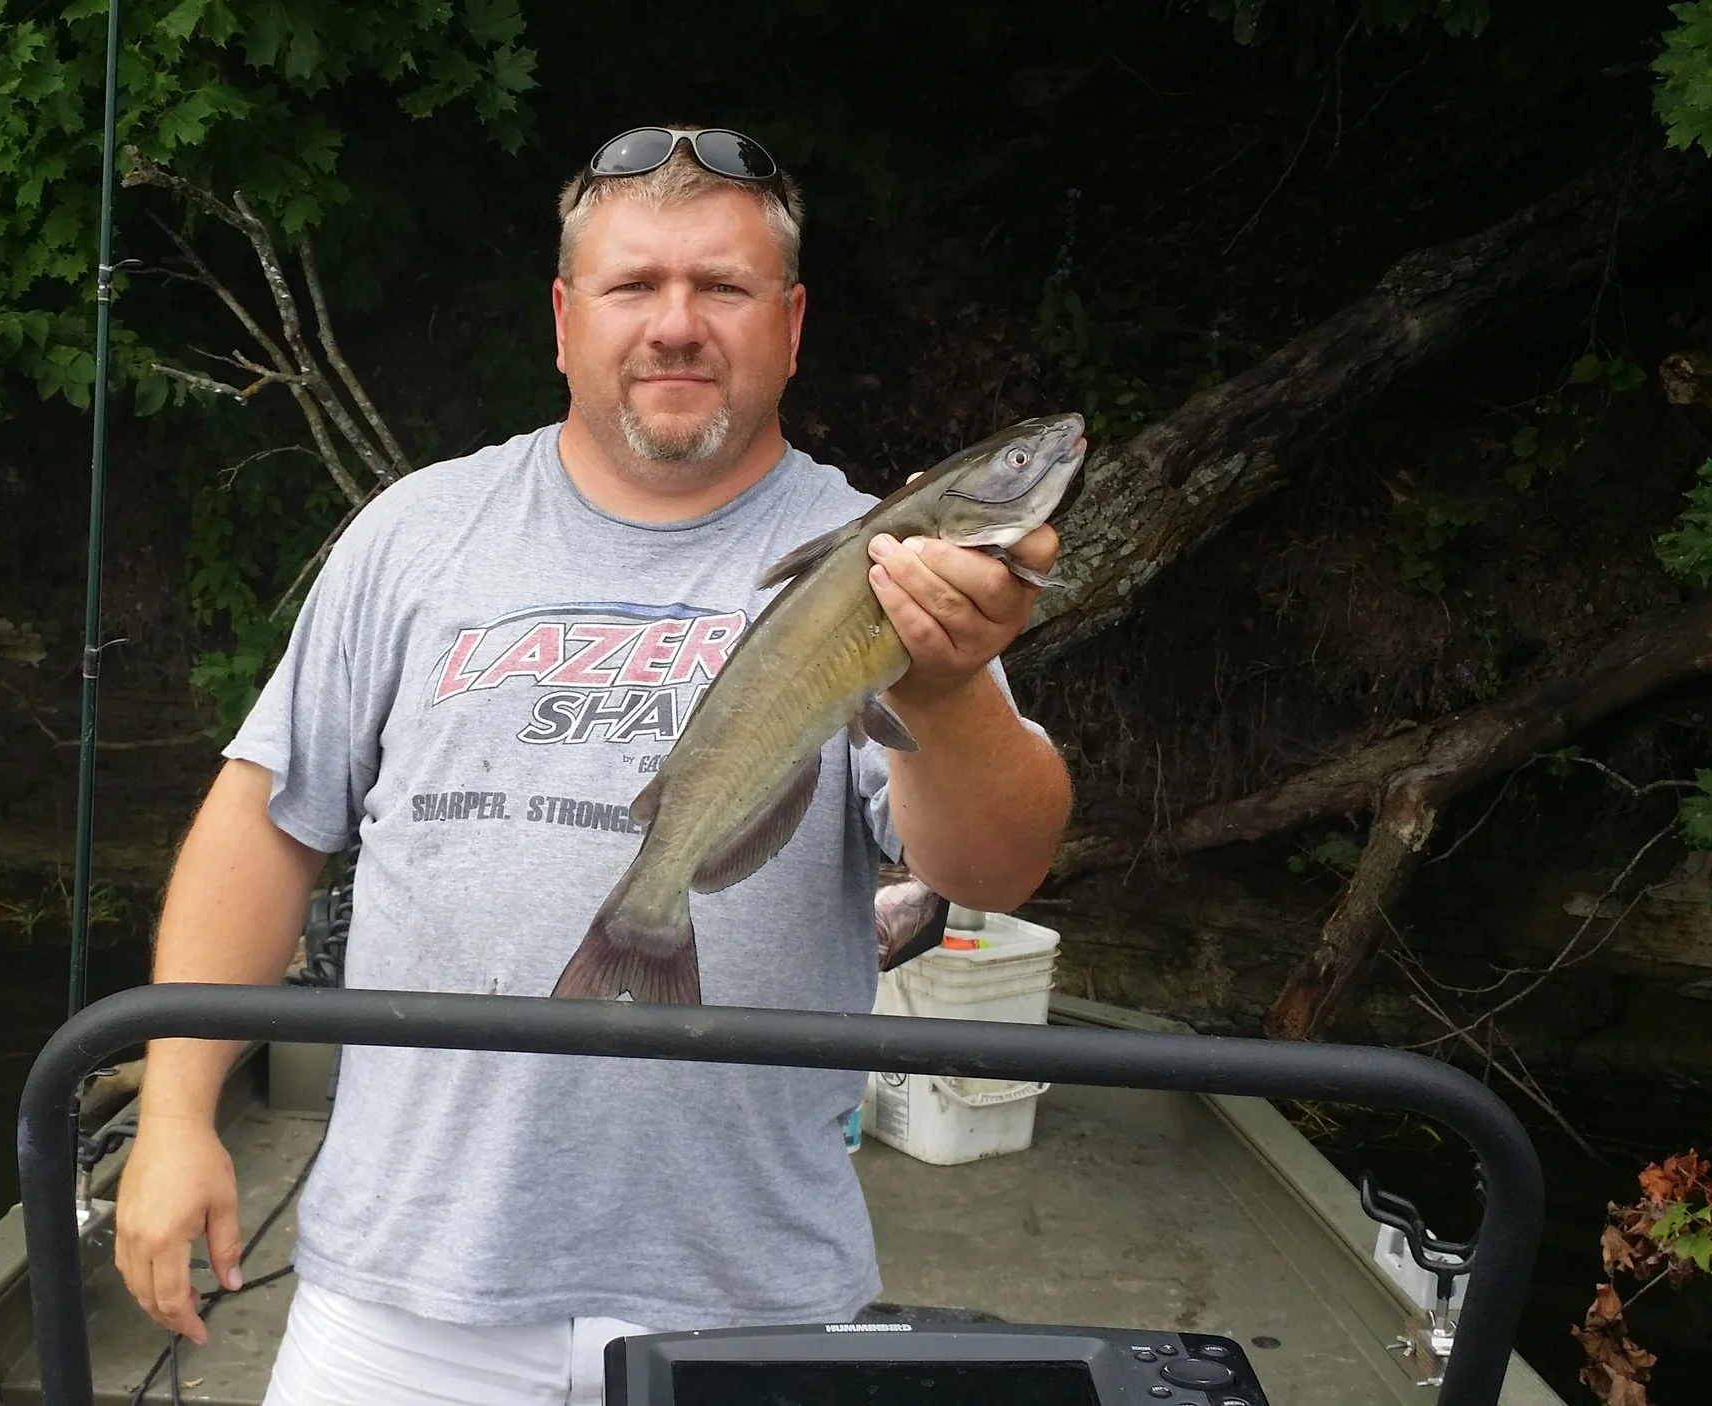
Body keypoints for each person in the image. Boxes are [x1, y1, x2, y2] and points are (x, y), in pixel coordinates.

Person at [112, 124, 1073, 1406]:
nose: (676, 324)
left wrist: (947, 695)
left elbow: (995, 867)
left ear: (790, 324)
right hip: (404, 1295)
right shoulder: (413, 536)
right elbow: (267, 823)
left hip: (750, 1295)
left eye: (721, 287)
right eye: (635, 285)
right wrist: (177, 1109)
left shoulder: (894, 568)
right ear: (566, 319)